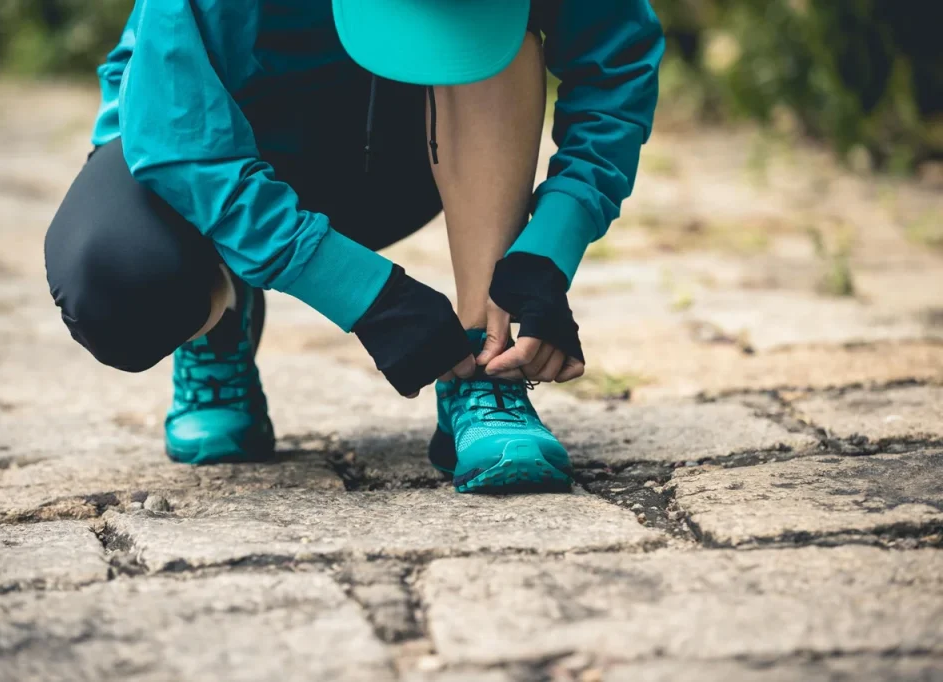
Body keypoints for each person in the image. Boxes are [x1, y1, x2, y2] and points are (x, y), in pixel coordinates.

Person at [45, 0, 664, 493]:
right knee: (116, 284)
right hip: (219, 147)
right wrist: (366, 295)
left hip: (416, 152)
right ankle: (220, 320)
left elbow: (618, 64)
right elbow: (180, 136)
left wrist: (547, 251)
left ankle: (484, 361)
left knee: (501, 35)